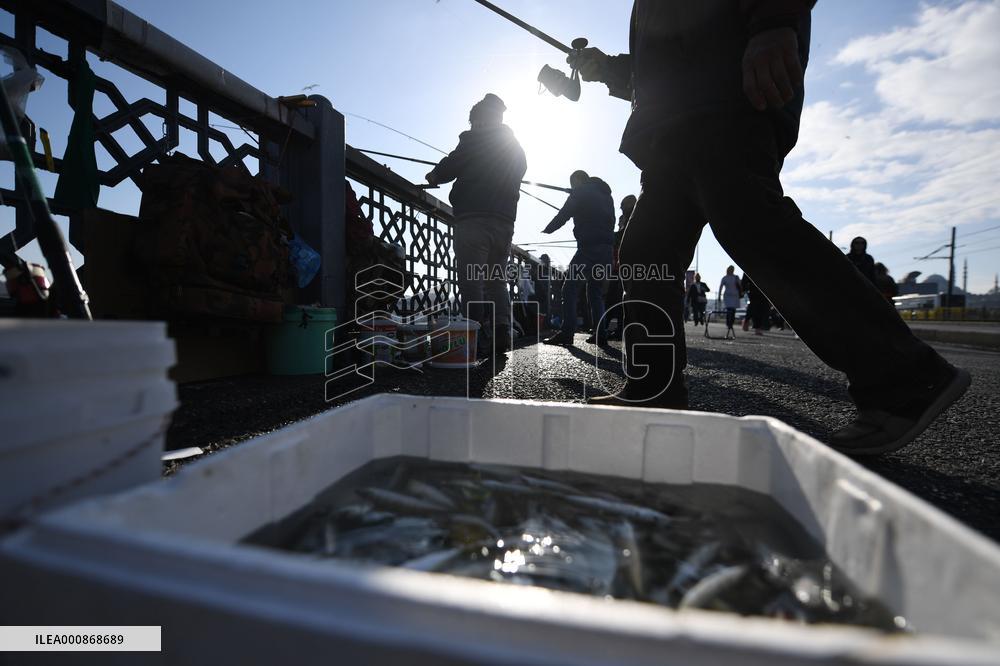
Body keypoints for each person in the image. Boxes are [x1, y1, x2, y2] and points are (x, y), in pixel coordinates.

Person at [574, 2, 969, 456]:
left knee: (750, 221)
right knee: (645, 254)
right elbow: (663, 67)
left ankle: (906, 378)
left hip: (725, 100)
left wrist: (775, 21)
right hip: (671, 127)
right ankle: (653, 387)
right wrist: (606, 69)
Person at [426, 93, 527, 357]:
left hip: (473, 218)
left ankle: (477, 333)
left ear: (480, 119)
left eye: (474, 122)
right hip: (505, 222)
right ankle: (502, 330)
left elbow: (450, 166)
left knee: (472, 279)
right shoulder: (515, 147)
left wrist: (434, 174)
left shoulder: (473, 140)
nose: (472, 126)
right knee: (496, 281)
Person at [540, 170, 616, 346]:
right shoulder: (606, 196)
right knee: (595, 293)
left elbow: (564, 214)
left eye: (573, 183)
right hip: (606, 251)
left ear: (579, 180)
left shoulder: (580, 192)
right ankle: (601, 334)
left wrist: (548, 229)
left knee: (569, 289)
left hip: (588, 249)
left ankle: (567, 333)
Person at [605, 194, 636, 340]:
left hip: (624, 267)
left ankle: (617, 330)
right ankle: (612, 329)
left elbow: (623, 236)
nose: (621, 210)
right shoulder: (627, 218)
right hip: (619, 266)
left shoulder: (633, 218)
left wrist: (610, 235)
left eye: (623, 207)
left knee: (617, 299)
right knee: (614, 299)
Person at [719, 266, 742, 339]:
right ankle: (729, 324)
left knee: (731, 311)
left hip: (733, 296)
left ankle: (729, 324)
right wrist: (719, 296)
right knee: (730, 310)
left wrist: (719, 296)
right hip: (730, 296)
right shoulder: (728, 278)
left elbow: (721, 287)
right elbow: (740, 286)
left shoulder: (730, 277)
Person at [532, 253, 552, 328]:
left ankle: (544, 324)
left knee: (543, 309)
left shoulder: (544, 269)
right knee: (542, 309)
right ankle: (544, 324)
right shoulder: (541, 268)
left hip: (542, 292)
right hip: (541, 292)